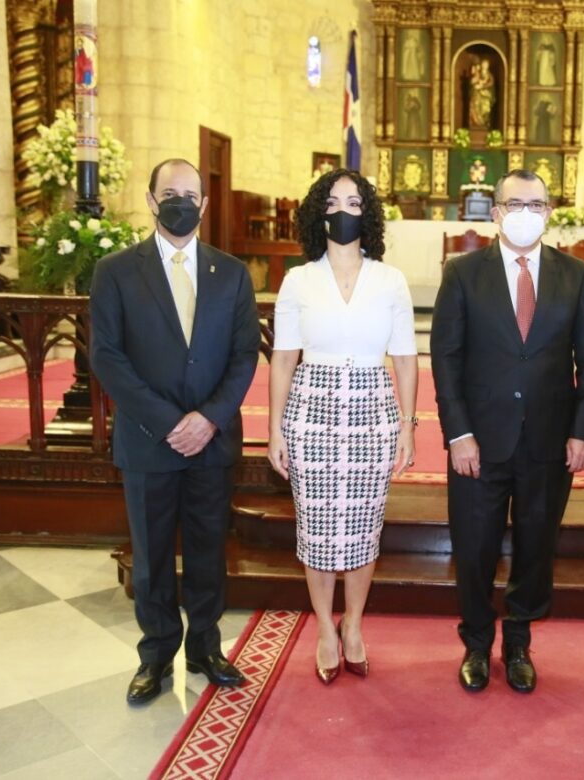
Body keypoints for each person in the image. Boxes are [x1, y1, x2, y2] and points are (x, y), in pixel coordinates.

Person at [90, 158, 260, 705]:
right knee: (153, 554)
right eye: (170, 192)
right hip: (148, 441)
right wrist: (169, 423)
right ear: (151, 200)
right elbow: (108, 358)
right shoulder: (114, 271)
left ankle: (206, 647)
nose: (181, 202)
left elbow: (242, 356)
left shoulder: (231, 273)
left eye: (191, 194)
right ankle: (156, 654)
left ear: (205, 206)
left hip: (212, 442)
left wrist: (208, 418)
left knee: (209, 551)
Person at [431, 169, 584, 693]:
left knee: (536, 545)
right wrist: (458, 433)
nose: (526, 213)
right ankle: (477, 643)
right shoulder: (462, 273)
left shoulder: (575, 275)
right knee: (476, 546)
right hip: (479, 443)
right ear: (497, 212)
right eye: (515, 204)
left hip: (549, 441)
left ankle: (520, 640)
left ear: (549, 211)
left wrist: (582, 431)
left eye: (537, 204)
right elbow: (446, 358)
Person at [267, 169, 418, 685]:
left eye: (355, 202)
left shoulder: (390, 279)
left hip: (373, 409)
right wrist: (275, 430)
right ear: (318, 212)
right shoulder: (298, 279)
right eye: (333, 202)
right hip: (312, 410)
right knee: (315, 528)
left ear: (368, 213)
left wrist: (407, 426)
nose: (344, 211)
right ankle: (324, 631)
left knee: (360, 527)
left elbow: (405, 359)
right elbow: (283, 360)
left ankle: (352, 625)